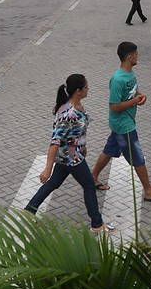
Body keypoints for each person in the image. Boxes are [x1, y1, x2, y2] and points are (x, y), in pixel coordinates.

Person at [25, 74, 116, 235]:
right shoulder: (68, 114)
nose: (89, 89)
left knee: (53, 183)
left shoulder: (76, 106)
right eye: (87, 87)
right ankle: (97, 223)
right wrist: (47, 168)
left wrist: (83, 147)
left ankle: (29, 211)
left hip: (72, 155)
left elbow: (77, 133)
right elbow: (55, 142)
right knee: (89, 186)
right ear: (78, 91)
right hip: (71, 158)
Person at [90, 42, 151, 204]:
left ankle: (92, 178)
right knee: (138, 158)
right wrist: (134, 100)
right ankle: (148, 191)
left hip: (124, 123)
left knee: (109, 151)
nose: (138, 57)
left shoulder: (130, 74)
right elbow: (115, 106)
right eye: (136, 54)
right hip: (123, 125)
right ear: (129, 57)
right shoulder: (117, 79)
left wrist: (140, 95)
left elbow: (131, 91)